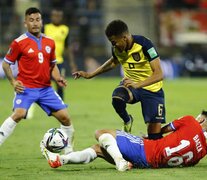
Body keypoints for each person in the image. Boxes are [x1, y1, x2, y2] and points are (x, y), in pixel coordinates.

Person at [73, 20, 165, 139]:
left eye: (114, 42)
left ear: (125, 38)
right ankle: (127, 121)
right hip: (131, 86)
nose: (113, 45)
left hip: (152, 89)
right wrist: (90, 75)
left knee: (154, 137)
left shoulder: (145, 44)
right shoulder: (117, 48)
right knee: (117, 97)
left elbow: (159, 74)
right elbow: (113, 62)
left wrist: (138, 84)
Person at [0, 7, 74, 154]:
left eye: (37, 20)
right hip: (26, 88)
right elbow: (6, 64)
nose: (35, 23)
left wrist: (58, 78)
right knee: (19, 114)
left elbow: (52, 65)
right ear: (25, 23)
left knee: (65, 118)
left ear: (41, 21)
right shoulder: (18, 42)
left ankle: (69, 152)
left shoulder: (50, 42)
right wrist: (13, 82)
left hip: (46, 89)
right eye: (31, 20)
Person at [41, 110, 207, 171]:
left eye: (202, 116)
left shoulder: (191, 121)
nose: (199, 117)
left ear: (203, 120)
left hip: (146, 150)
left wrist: (150, 137)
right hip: (151, 164)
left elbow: (164, 129)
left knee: (101, 133)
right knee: (99, 149)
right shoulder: (202, 152)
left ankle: (120, 162)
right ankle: (61, 159)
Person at [44, 8, 77, 100]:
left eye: (59, 16)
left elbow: (67, 47)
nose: (57, 18)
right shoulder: (45, 28)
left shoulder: (65, 29)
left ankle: (60, 106)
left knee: (60, 84)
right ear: (51, 17)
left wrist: (72, 63)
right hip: (46, 62)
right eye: (55, 16)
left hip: (59, 61)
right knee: (42, 85)